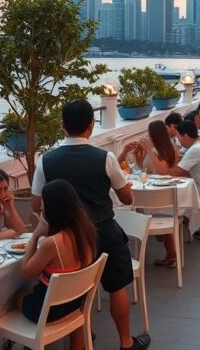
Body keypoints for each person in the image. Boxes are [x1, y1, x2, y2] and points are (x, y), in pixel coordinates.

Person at [31, 100, 149, 350]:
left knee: (73, 287)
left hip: (65, 241)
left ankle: (83, 332)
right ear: (91, 126)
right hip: (103, 232)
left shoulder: (46, 161)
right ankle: (126, 343)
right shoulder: (105, 158)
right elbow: (127, 198)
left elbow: (35, 204)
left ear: (62, 126)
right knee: (116, 286)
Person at [16, 179, 97, 350]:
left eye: (44, 204)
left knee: (16, 296)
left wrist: (36, 234)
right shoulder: (86, 230)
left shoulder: (52, 243)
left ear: (53, 208)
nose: (42, 209)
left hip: (50, 311)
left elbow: (25, 271)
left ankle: (31, 344)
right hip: (75, 304)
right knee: (33, 291)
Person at [156, 120, 200, 245]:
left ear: (185, 135)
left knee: (167, 205)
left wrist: (153, 157)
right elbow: (184, 168)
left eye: (178, 137)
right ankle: (196, 227)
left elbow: (174, 173)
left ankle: (167, 235)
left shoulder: (195, 150)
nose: (178, 141)